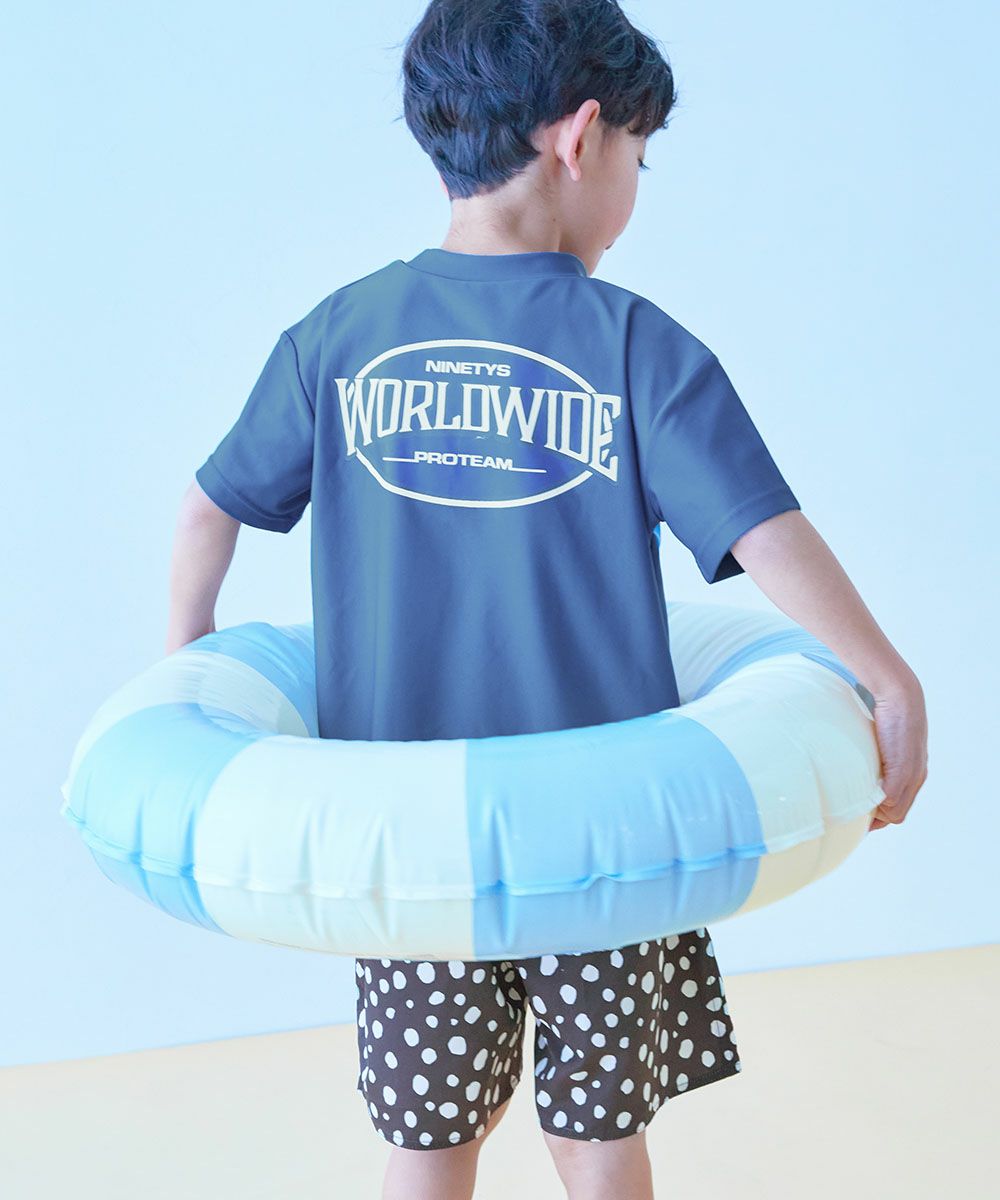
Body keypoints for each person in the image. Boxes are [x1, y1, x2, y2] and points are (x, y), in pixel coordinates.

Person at [166, 2, 929, 1197]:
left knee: (428, 1139)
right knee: (599, 1135)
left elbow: (209, 508)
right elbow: (762, 534)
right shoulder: (634, 344)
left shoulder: (338, 336)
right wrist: (887, 677)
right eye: (638, 157)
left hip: (414, 842)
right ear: (581, 138)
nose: (632, 189)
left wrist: (189, 681)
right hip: (600, 843)